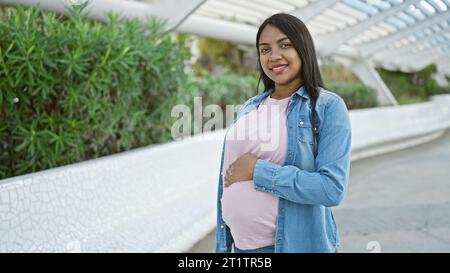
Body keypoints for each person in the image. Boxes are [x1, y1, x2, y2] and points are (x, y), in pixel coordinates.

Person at [215, 13, 352, 253]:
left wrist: (257, 170)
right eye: (264, 49)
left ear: (303, 48)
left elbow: (331, 189)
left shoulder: (328, 107)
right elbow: (227, 180)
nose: (274, 56)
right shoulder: (250, 107)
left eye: (285, 45)